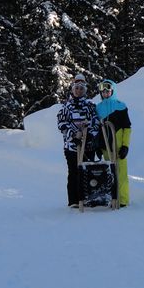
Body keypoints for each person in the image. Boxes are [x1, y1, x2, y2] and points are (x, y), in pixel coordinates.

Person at [57, 74, 100, 207]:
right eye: (76, 88)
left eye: (81, 88)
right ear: (72, 89)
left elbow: (96, 122)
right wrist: (73, 135)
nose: (79, 91)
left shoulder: (90, 106)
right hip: (72, 146)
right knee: (74, 172)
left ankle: (88, 198)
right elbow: (61, 124)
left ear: (85, 90)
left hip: (88, 145)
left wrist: (91, 135)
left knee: (87, 171)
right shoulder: (67, 107)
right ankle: (74, 200)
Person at [96, 79, 131, 208]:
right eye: (103, 92)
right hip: (106, 147)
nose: (105, 94)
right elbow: (98, 129)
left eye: (108, 91)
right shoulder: (98, 108)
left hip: (118, 147)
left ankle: (123, 200)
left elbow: (127, 128)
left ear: (113, 91)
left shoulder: (121, 106)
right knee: (109, 174)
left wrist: (125, 146)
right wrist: (98, 146)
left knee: (121, 174)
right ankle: (111, 198)